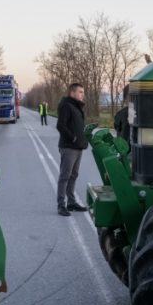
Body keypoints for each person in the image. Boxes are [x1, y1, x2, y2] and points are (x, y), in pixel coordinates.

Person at [55, 83, 89, 217]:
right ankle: (61, 205)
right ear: (72, 92)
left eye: (83, 92)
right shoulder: (66, 105)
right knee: (65, 176)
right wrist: (73, 138)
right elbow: (60, 125)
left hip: (78, 147)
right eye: (80, 92)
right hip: (69, 147)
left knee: (73, 175)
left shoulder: (76, 106)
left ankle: (71, 203)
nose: (82, 94)